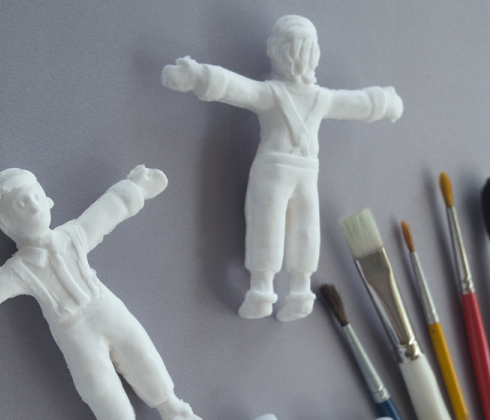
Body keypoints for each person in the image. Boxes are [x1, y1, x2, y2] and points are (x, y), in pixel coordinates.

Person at [0, 166, 205, 420]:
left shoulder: (73, 234)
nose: (34, 206)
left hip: (106, 308)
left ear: (48, 200)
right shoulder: (18, 270)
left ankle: (174, 410)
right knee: (97, 385)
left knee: (141, 352)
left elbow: (105, 213)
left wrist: (135, 189)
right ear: (8, 220)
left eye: (36, 196)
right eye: (22, 204)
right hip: (74, 330)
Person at [162, 14, 403, 322]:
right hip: (298, 172)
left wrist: (199, 76)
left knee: (279, 226)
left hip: (280, 170)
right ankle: (287, 291)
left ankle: (276, 291)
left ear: (276, 51)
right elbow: (357, 103)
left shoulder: (284, 94)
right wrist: (384, 102)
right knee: (292, 227)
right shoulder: (310, 96)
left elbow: (238, 88)